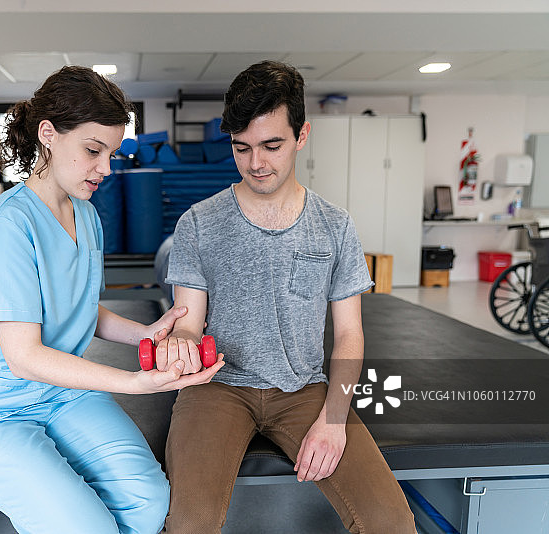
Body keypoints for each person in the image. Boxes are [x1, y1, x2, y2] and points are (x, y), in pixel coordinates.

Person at [0, 65, 223, 534]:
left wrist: (146, 333)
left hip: (61, 395)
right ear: (48, 135)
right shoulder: (7, 225)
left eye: (112, 153)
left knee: (150, 503)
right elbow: (25, 357)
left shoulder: (86, 215)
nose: (106, 168)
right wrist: (135, 383)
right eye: (93, 150)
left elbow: (78, 306)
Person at [158, 61, 416, 533]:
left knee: (390, 521)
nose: (256, 162)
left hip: (304, 389)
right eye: (242, 147)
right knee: (190, 523)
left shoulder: (335, 226)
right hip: (216, 387)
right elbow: (189, 322)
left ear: (302, 135)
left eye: (271, 145)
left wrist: (333, 419)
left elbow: (349, 335)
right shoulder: (198, 223)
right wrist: (181, 341)